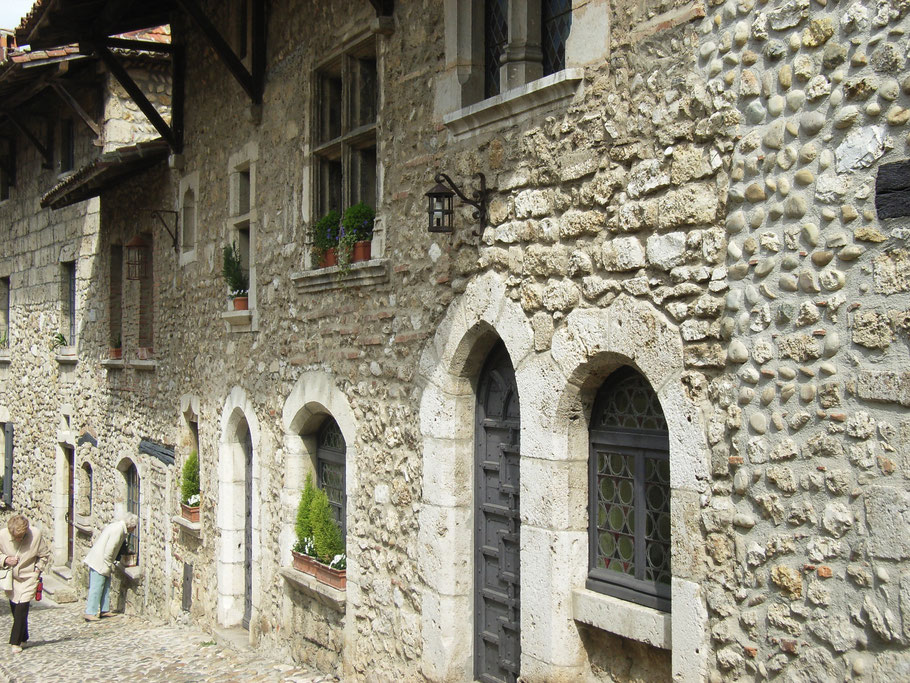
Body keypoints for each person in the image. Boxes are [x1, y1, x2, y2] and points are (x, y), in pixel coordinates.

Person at [0, 514, 50, 653]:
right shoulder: (2, 535)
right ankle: (24, 636)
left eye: (20, 536)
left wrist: (37, 569)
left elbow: (44, 555)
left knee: (22, 607)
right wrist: (5, 559)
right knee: (15, 609)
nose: (18, 539)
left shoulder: (35, 535)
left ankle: (15, 642)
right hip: (11, 577)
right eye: (15, 537)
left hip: (29, 577)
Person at [83, 513, 138, 622]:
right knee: (97, 586)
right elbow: (110, 549)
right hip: (100, 560)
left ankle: (104, 609)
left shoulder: (118, 527)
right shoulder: (118, 530)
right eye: (134, 526)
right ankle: (90, 612)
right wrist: (108, 564)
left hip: (101, 559)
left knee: (105, 584)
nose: (134, 529)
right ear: (130, 525)